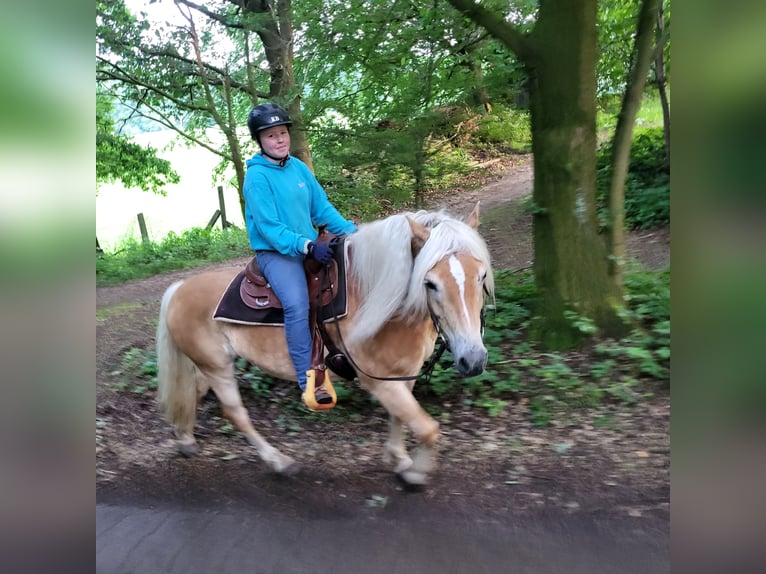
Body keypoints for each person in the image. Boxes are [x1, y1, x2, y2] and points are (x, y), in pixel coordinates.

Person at [243, 102, 356, 409]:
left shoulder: (299, 168)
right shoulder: (256, 177)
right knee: (297, 304)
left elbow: (321, 209)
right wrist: (307, 246)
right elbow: (268, 228)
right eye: (271, 136)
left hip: (308, 246)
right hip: (277, 254)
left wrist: (354, 233)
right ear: (259, 141)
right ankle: (309, 380)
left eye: (283, 133)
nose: (279, 140)